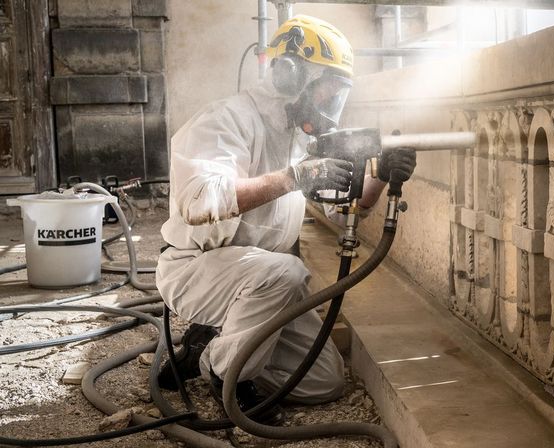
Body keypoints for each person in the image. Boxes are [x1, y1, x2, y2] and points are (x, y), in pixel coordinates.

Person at [155, 15, 415, 421]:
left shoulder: (298, 137)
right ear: (291, 73)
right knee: (287, 272)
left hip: (264, 283)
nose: (333, 101)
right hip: (197, 269)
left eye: (339, 92)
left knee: (324, 380)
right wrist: (294, 178)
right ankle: (227, 375)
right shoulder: (225, 120)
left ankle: (208, 350)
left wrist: (381, 176)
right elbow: (201, 200)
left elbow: (340, 209)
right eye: (329, 87)